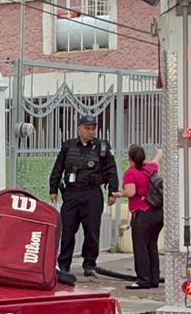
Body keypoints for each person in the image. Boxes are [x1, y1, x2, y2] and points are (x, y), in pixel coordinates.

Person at [49, 114, 120, 277]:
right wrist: (53, 189)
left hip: (92, 193)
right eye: (87, 128)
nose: (91, 132)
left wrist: (112, 192)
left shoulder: (102, 147)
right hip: (72, 193)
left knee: (92, 231)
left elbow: (111, 169)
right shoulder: (68, 146)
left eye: (93, 129)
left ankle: (89, 264)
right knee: (67, 230)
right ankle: (64, 264)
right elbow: (58, 168)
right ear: (79, 129)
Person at [122, 144, 164, 290]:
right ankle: (154, 279)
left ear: (130, 158)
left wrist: (118, 194)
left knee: (140, 247)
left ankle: (143, 280)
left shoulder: (130, 173)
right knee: (152, 245)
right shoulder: (151, 168)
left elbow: (130, 192)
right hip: (157, 213)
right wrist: (159, 152)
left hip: (142, 213)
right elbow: (158, 159)